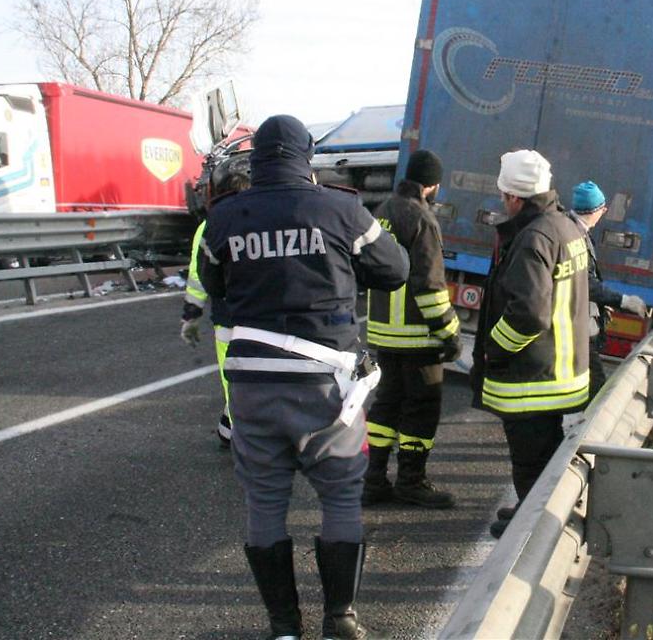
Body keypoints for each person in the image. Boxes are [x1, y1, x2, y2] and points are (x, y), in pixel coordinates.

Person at [199, 115, 409, 640]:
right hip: (326, 384)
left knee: (265, 503)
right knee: (339, 497)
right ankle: (339, 618)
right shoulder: (341, 209)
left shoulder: (224, 216)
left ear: (256, 159)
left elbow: (213, 284)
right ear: (306, 156)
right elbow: (396, 270)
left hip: (252, 384)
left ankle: (284, 626)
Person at [471, 149, 591, 538]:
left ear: (514, 197)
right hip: (560, 370)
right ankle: (530, 511)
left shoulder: (532, 237)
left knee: (529, 460)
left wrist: (494, 349)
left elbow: (528, 314)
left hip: (533, 378)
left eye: (503, 195)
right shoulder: (565, 227)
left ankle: (529, 529)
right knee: (545, 454)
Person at [363, 149, 461, 509]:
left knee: (386, 404)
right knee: (421, 408)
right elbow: (429, 285)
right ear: (432, 185)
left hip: (384, 333)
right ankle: (411, 482)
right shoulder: (422, 219)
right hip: (418, 336)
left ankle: (372, 480)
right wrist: (449, 332)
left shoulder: (382, 212)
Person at [180, 153, 251, 446]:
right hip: (265, 317)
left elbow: (199, 276)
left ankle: (235, 428)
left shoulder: (210, 225)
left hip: (227, 318)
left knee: (232, 379)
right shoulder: (268, 219)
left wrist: (191, 315)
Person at [566, 180, 647, 398]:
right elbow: (584, 282)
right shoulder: (575, 236)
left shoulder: (573, 230)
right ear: (595, 210)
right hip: (575, 324)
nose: (604, 213)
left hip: (577, 321)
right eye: (603, 209)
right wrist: (621, 300)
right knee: (596, 387)